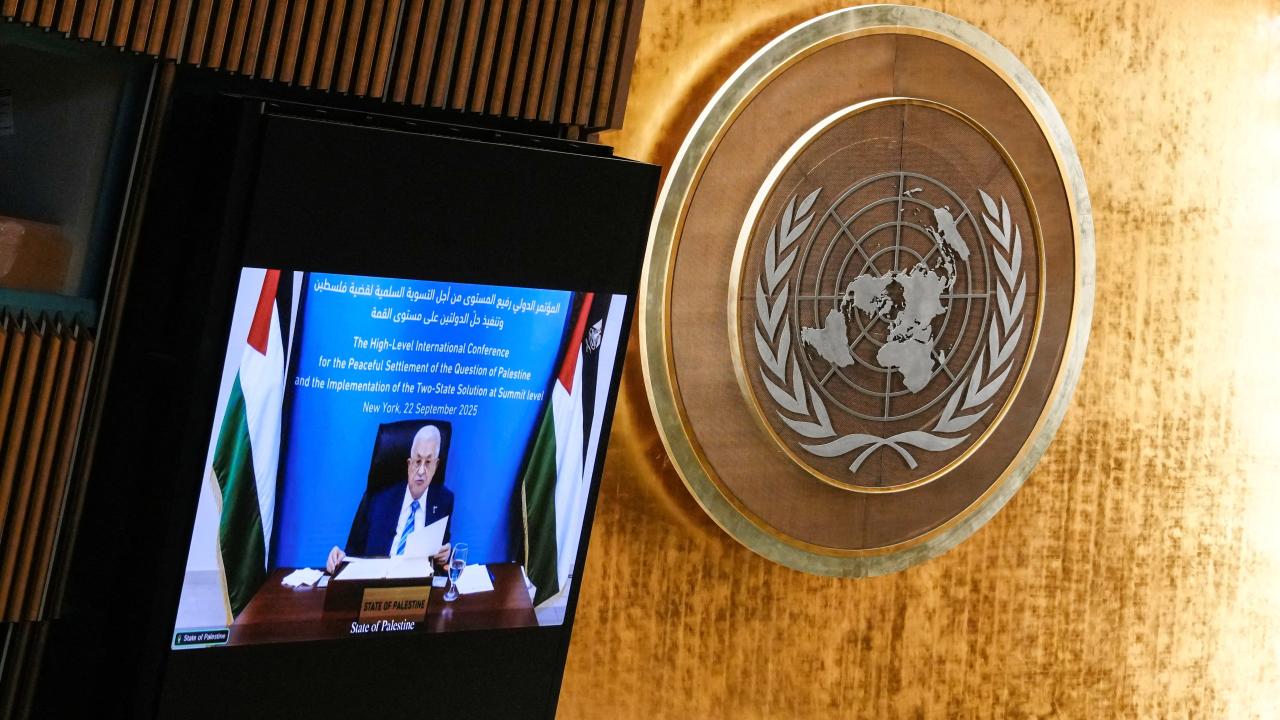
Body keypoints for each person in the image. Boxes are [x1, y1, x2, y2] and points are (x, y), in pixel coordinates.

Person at [326, 424, 453, 574]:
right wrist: (339, 558)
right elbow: (352, 554)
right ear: (409, 463)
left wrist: (446, 555)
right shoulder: (377, 500)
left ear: (436, 465)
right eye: (418, 461)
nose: (421, 471)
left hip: (419, 584)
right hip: (377, 581)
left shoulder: (443, 501)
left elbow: (441, 555)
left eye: (428, 462)